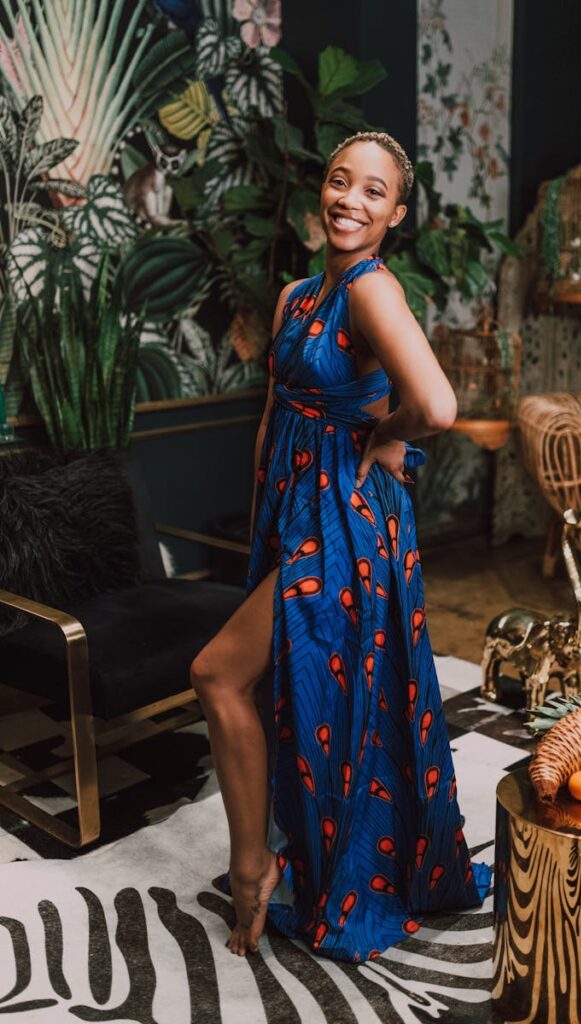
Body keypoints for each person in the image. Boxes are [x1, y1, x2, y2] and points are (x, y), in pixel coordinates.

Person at [190, 130, 491, 963]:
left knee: (218, 673)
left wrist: (383, 433)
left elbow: (436, 404)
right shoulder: (296, 297)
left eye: (372, 192)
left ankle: (252, 868)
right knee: (310, 692)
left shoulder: (371, 290)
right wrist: (266, 519)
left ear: (396, 214)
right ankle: (308, 854)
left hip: (345, 522)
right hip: (294, 515)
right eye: (338, 181)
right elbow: (274, 414)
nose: (348, 200)